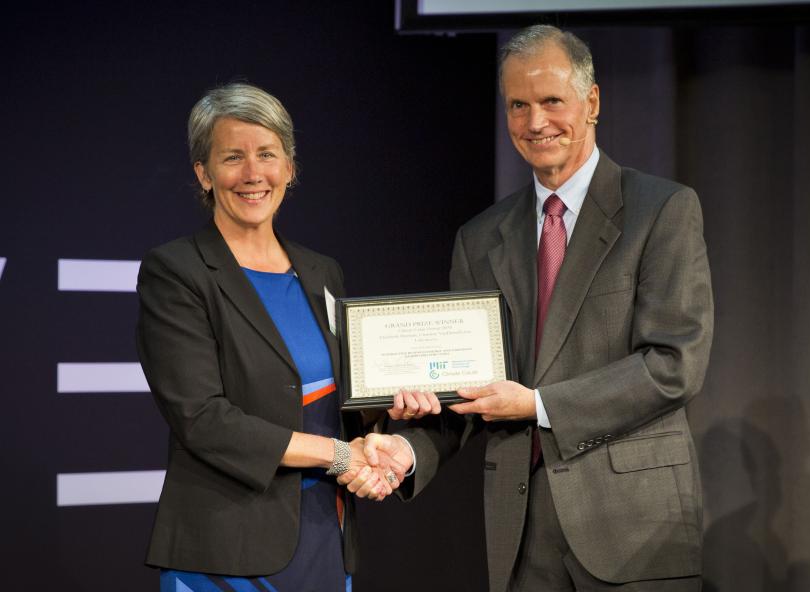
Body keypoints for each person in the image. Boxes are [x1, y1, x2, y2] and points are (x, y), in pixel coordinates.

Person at [363, 25, 714, 591]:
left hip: (633, 524)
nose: (535, 122)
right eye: (518, 105)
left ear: (591, 101)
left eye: (552, 100)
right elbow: (466, 389)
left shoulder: (662, 210)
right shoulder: (479, 238)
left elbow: (674, 365)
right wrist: (406, 449)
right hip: (521, 531)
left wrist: (540, 404)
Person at [136, 82, 422, 591]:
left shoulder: (322, 272)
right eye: (232, 157)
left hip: (325, 537)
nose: (252, 174)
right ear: (203, 173)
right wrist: (339, 455)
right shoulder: (177, 271)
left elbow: (343, 402)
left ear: (289, 168)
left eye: (267, 154)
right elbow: (201, 418)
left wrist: (387, 419)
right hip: (225, 552)